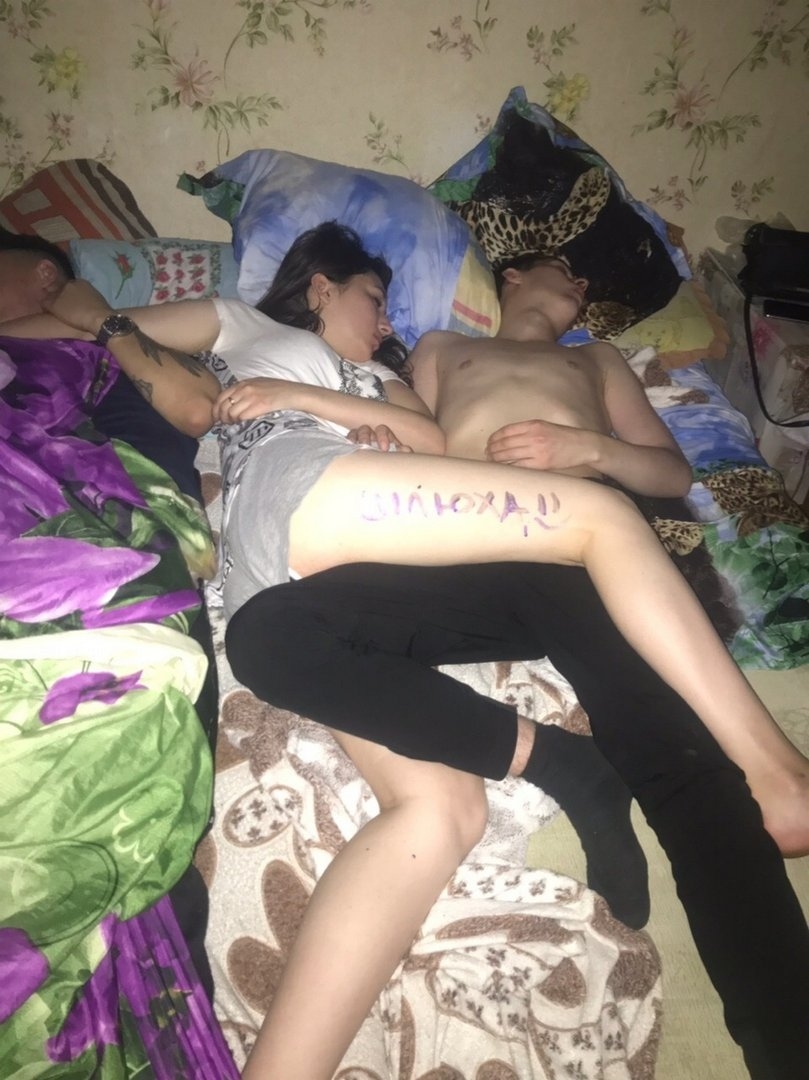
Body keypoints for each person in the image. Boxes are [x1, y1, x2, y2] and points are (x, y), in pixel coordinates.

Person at [10, 225, 809, 1080]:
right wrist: (82, 307)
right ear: (320, 286)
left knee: (673, 754)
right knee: (305, 676)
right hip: (362, 552)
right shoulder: (263, 329)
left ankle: (778, 888)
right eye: (372, 297)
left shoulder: (432, 371)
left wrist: (360, 414)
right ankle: (566, 763)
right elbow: (107, 354)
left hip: (478, 539)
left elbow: (437, 442)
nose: (387, 319)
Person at [0, 230, 219, 1001]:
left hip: (99, 538)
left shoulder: (120, 345)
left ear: (44, 275)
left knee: (122, 803)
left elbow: (197, 401)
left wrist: (99, 319)